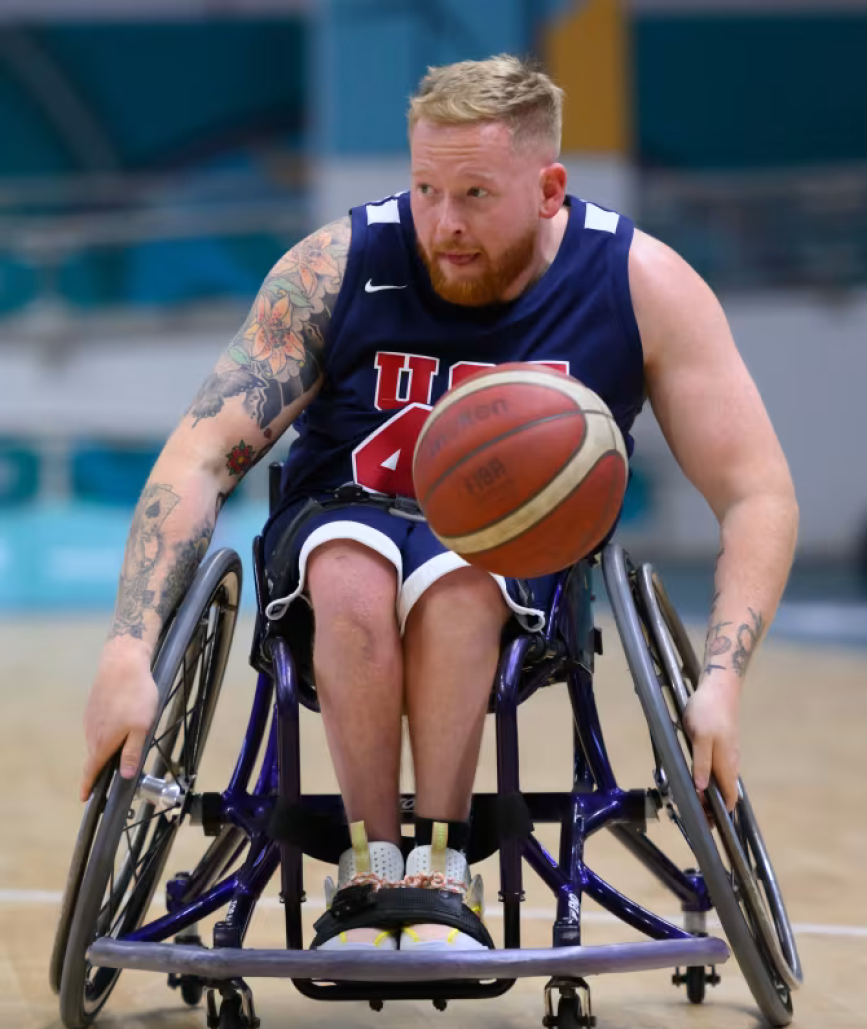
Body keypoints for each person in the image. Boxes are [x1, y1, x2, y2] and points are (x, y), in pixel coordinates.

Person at [82, 55, 798, 953]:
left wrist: (721, 684)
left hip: (516, 567)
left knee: (465, 572)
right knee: (348, 565)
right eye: (425, 188)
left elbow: (757, 491)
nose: (444, 224)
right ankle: (370, 864)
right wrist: (126, 650)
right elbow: (196, 457)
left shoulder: (640, 283)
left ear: (548, 189)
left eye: (474, 194)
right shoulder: (338, 265)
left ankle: (442, 861)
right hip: (337, 530)